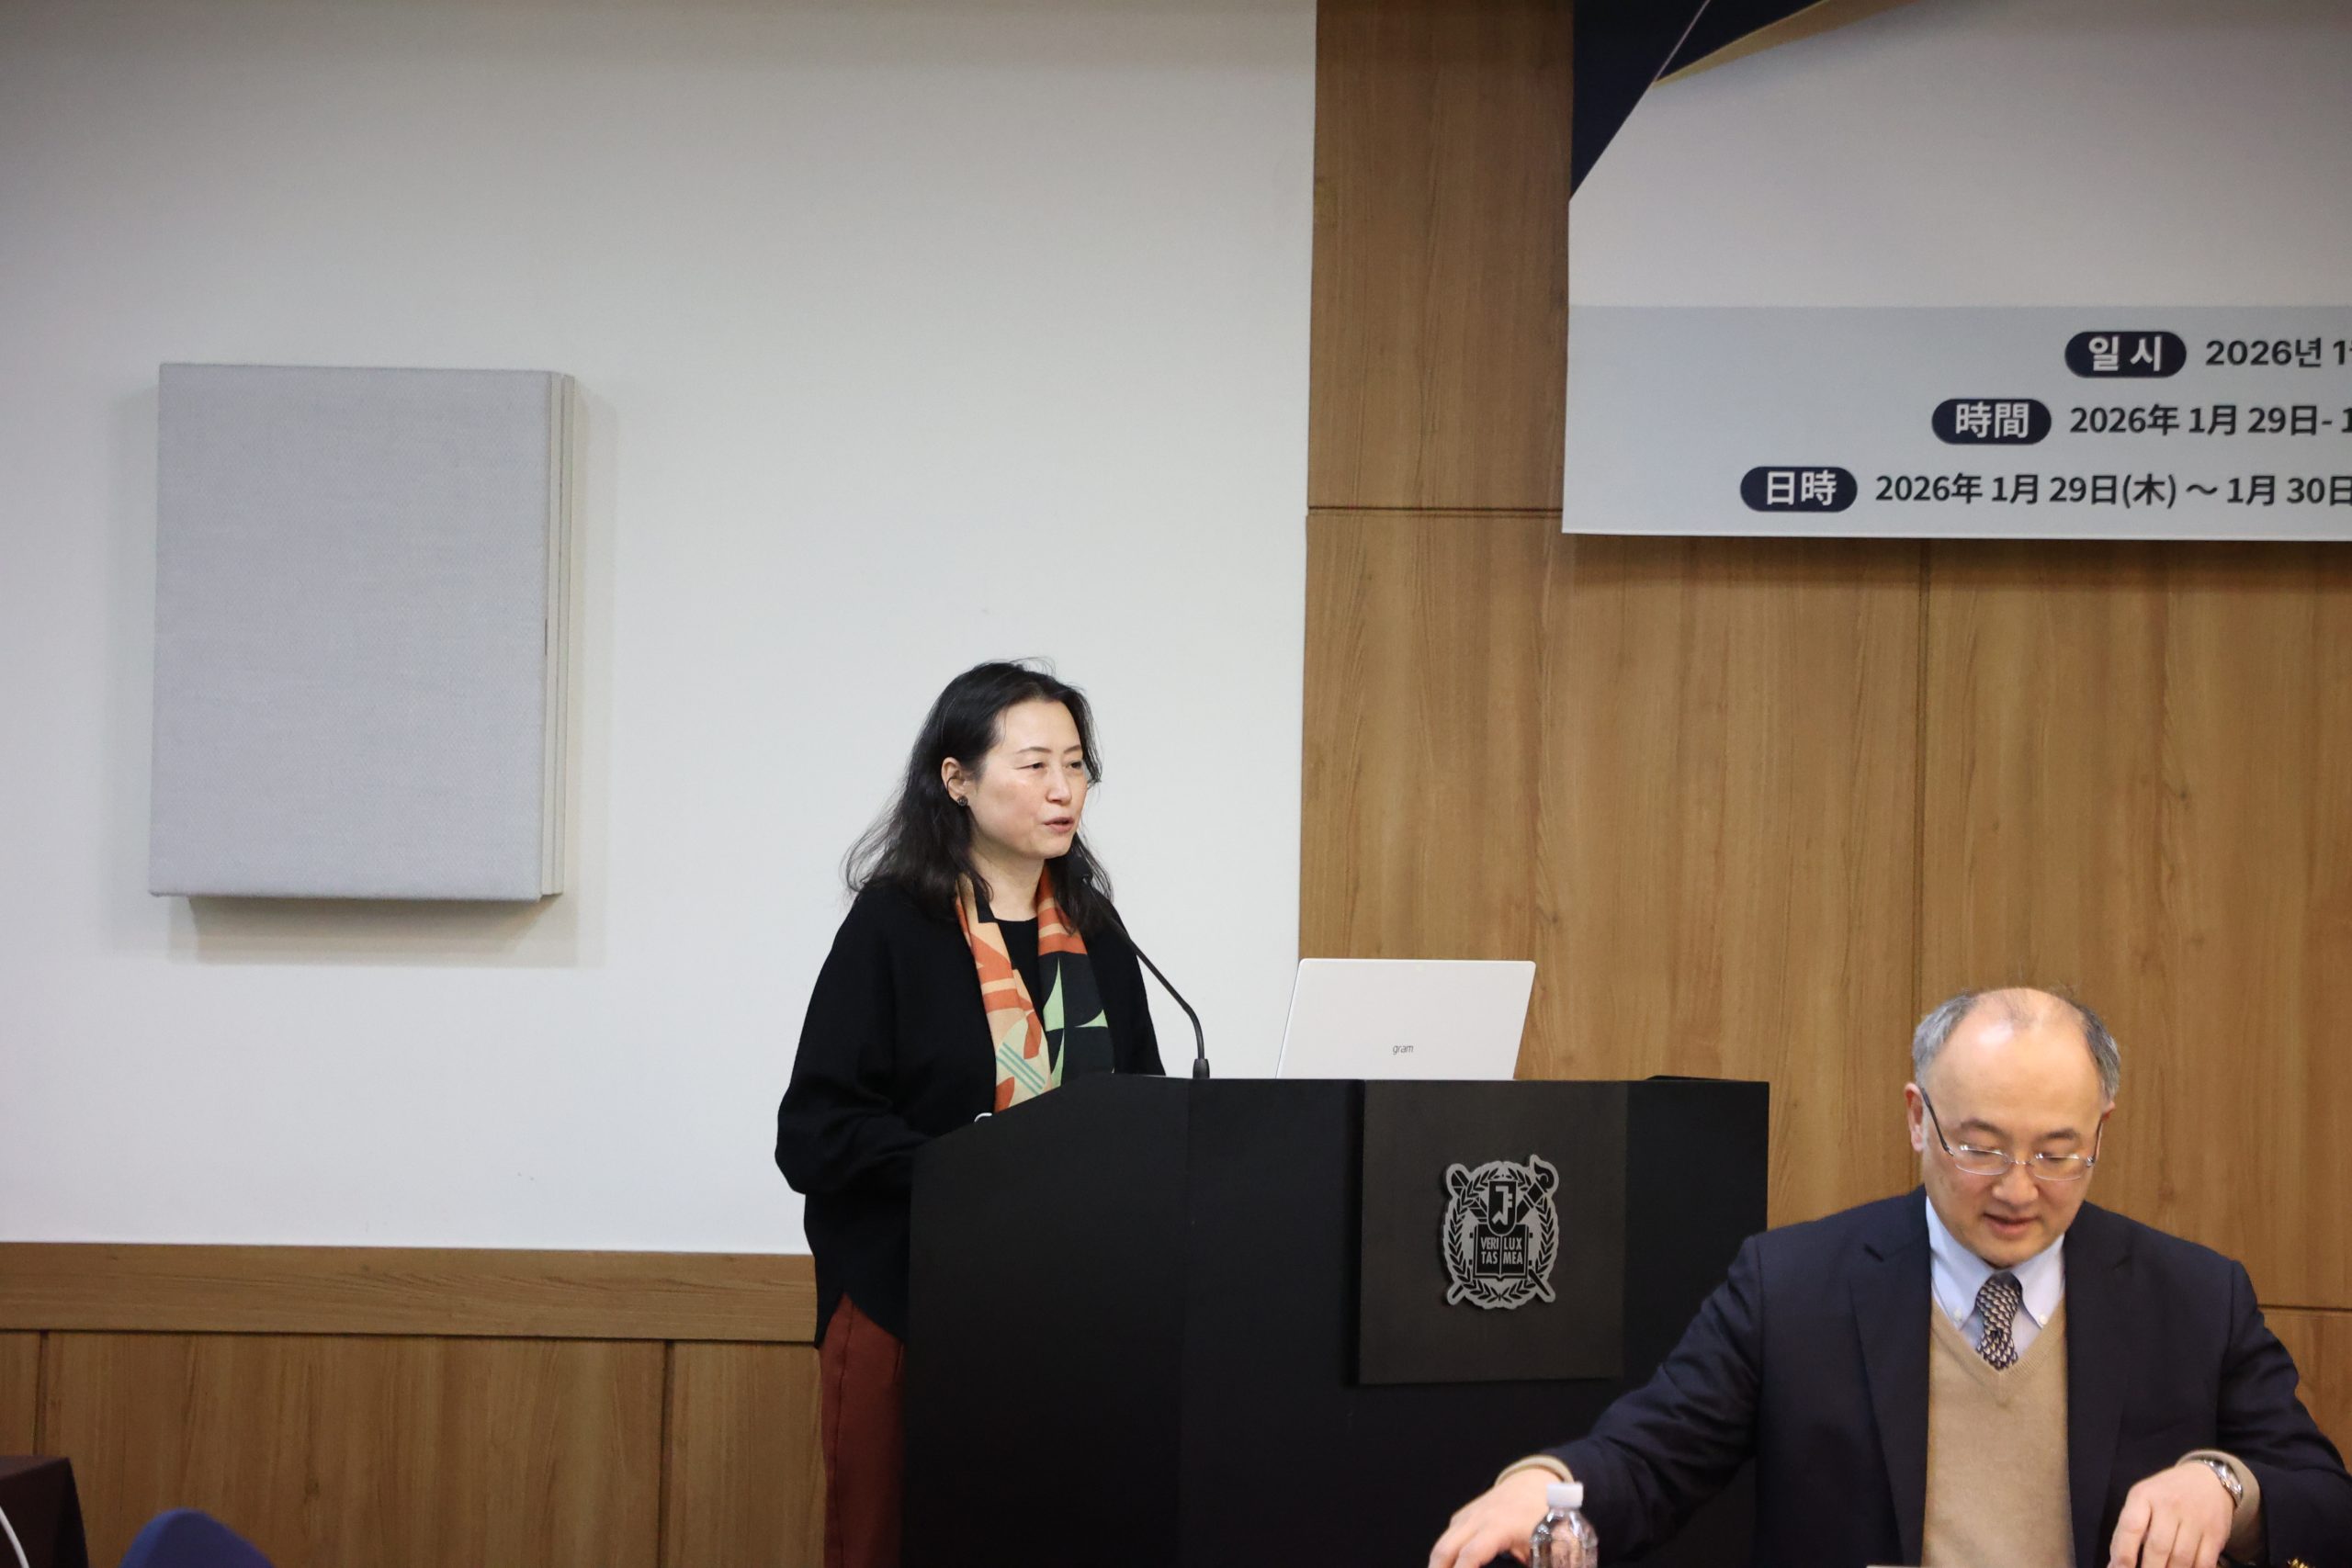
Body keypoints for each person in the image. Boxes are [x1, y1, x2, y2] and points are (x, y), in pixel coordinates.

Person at [1429, 987, 2352, 1568]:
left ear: (2101, 1131)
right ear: (1917, 1117)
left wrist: (2225, 1485)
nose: (2018, 1189)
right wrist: (1542, 1487)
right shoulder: (1792, 1286)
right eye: (1979, 1148)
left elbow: (2325, 1501)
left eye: (2057, 1153)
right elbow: (1649, 1457)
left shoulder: (2193, 1297)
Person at [775, 660, 1164, 1568]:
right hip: (907, 1302)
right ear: (956, 779)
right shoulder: (895, 927)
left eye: (1076, 765)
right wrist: (970, 1168)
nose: (1063, 789)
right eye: (1035, 765)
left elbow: (1144, 1113)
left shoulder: (1097, 934)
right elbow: (817, 1132)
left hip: (1066, 1318)